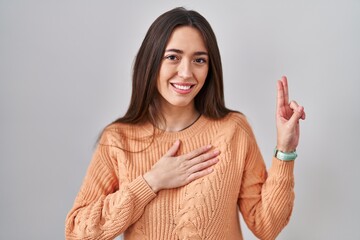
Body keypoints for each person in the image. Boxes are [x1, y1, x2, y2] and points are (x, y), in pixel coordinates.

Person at [65, 7, 306, 240]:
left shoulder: (233, 130)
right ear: (151, 61)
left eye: (199, 60)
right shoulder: (118, 139)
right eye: (173, 57)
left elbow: (266, 226)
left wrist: (285, 150)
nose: (186, 72)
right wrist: (151, 182)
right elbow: (77, 233)